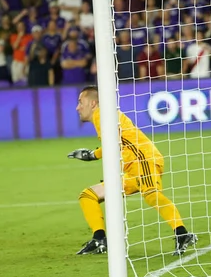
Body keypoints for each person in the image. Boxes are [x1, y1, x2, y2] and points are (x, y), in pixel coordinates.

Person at [68, 86, 197, 256]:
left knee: (151, 194)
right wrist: (93, 154)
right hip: (132, 170)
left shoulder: (101, 115)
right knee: (88, 195)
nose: (77, 107)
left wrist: (92, 155)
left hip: (143, 159)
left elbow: (111, 143)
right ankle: (99, 238)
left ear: (93, 103)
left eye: (80, 102)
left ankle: (182, 234)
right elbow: (114, 142)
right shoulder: (104, 116)